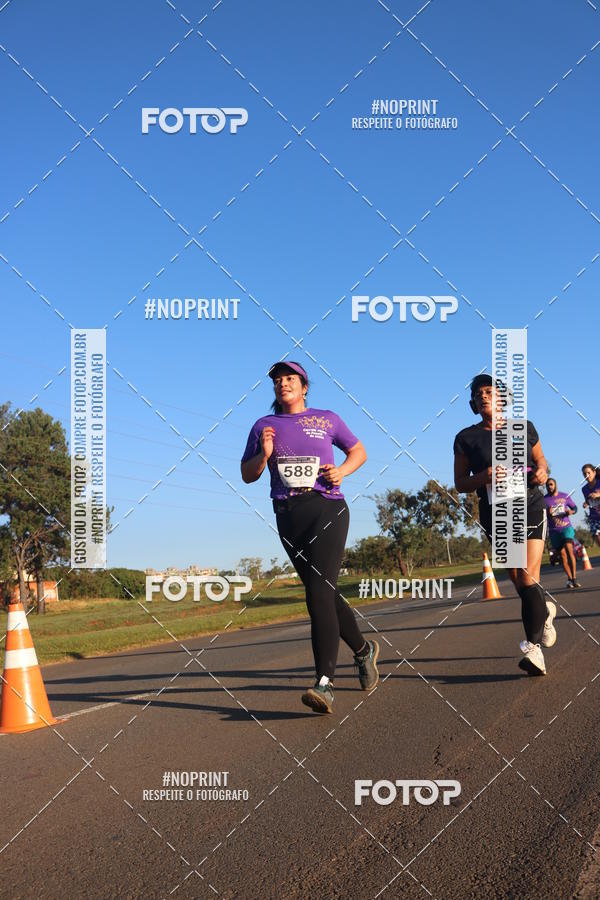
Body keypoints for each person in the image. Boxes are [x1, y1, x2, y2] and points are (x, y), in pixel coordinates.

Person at [241, 361, 377, 714]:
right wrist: (264, 455)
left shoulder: (327, 418)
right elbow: (247, 474)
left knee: (318, 592)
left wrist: (341, 471)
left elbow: (358, 451)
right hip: (288, 516)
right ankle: (363, 651)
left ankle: (325, 684)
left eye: (290, 379)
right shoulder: (264, 426)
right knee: (325, 593)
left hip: (327, 508)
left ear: (304, 388)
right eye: (277, 380)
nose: (282, 384)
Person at [453, 374, 555, 676]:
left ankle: (533, 648)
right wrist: (483, 476)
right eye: (478, 394)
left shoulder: (524, 428)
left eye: (489, 391)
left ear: (501, 397)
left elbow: (542, 461)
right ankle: (545, 612)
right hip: (496, 513)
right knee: (519, 582)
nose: (484, 396)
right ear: (473, 403)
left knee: (527, 576)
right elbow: (460, 483)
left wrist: (540, 471)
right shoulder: (466, 437)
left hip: (530, 504)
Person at [544, 478, 580, 588]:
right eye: (547, 485)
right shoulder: (544, 499)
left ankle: (574, 578)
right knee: (563, 556)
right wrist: (547, 513)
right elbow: (541, 515)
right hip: (554, 531)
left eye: (551, 484)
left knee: (569, 550)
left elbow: (575, 508)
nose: (549, 487)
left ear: (555, 485)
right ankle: (570, 579)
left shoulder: (564, 496)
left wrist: (571, 512)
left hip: (566, 528)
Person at [581, 463, 600, 549]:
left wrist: (598, 495)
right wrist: (586, 503)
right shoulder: (584, 489)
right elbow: (589, 500)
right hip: (594, 517)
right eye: (584, 474)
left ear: (594, 472)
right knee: (597, 537)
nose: (586, 475)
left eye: (588, 473)